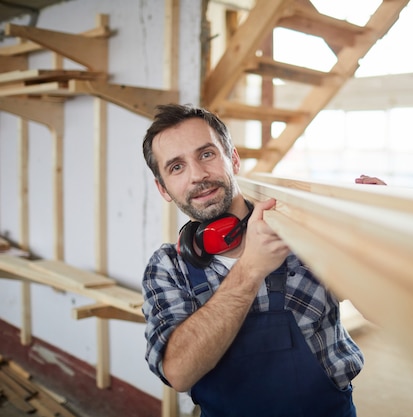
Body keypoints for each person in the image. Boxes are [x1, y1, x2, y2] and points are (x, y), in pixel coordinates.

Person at [141, 103, 366, 417]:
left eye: (206, 154)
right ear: (163, 189)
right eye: (176, 167)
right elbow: (178, 373)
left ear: (233, 159)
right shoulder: (168, 267)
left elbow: (383, 313)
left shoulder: (299, 228)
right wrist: (250, 270)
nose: (198, 176)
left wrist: (375, 241)